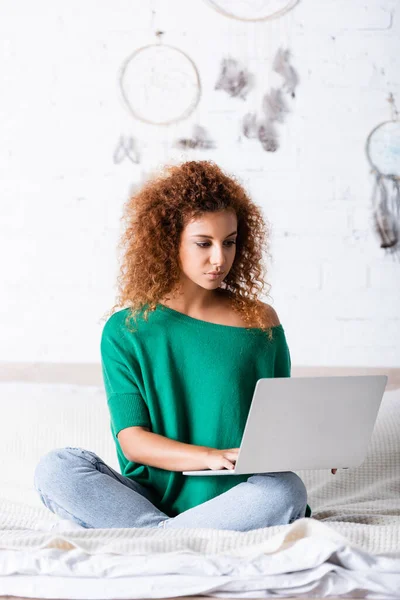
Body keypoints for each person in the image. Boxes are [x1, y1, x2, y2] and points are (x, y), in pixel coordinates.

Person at [33, 160, 331, 531]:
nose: (219, 258)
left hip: (239, 499)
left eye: (230, 242)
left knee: (286, 488)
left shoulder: (261, 321)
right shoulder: (126, 330)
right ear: (168, 240)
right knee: (57, 467)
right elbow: (133, 441)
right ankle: (169, 534)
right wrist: (208, 456)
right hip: (147, 499)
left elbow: (277, 422)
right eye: (203, 243)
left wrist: (317, 444)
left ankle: (154, 539)